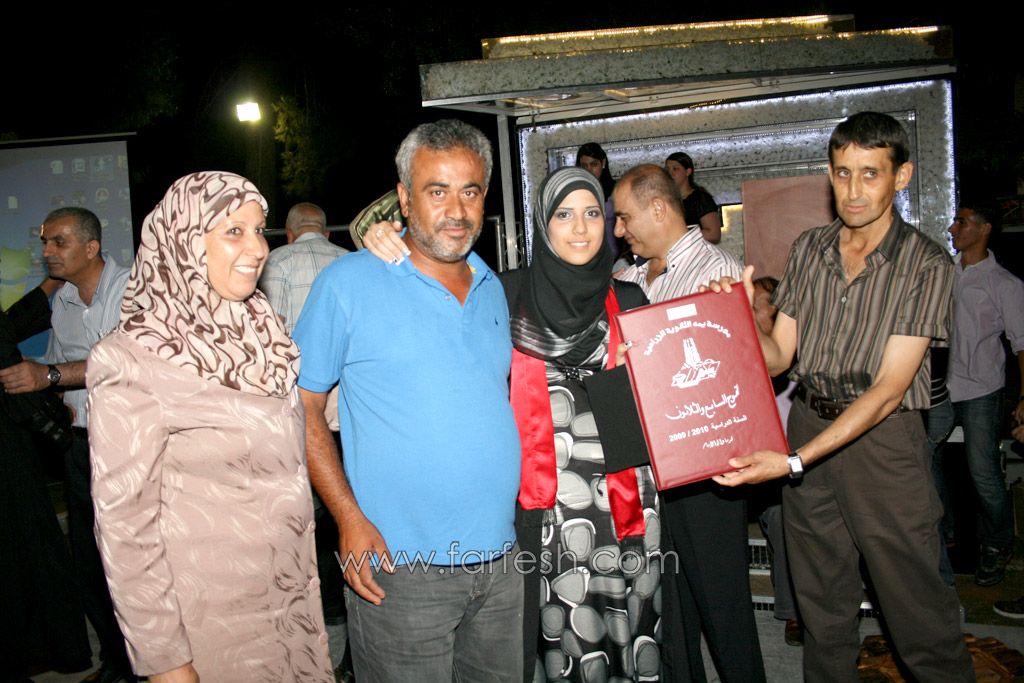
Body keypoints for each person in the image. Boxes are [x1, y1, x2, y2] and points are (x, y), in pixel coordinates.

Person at [366, 166, 662, 681]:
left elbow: (663, 408)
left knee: (628, 637)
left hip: (625, 505)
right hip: (544, 512)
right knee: (554, 643)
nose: (580, 228)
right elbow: (435, 287)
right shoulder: (504, 294)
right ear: (542, 225)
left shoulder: (632, 301)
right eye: (563, 215)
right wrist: (386, 241)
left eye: (592, 213)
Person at [708, 112, 974, 682]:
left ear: (901, 176)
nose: (853, 190)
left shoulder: (925, 263)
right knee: (823, 613)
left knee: (918, 616)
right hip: (809, 421)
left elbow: (889, 391)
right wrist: (736, 314)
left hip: (884, 444)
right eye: (843, 173)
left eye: (870, 173)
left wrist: (795, 462)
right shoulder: (810, 247)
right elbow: (779, 356)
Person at [294, 120, 523, 682]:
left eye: (470, 191)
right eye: (436, 191)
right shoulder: (347, 284)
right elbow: (299, 407)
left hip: (503, 563)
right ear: (403, 198)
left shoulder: (495, 287)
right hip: (399, 567)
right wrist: (347, 517)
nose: (456, 210)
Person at [86, 172, 334, 682]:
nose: (257, 248)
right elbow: (125, 528)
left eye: (259, 230)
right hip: (211, 626)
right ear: (183, 240)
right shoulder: (131, 357)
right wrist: (165, 661)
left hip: (293, 608)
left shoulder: (262, 330)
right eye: (233, 231)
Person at [612, 164, 766, 682]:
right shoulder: (630, 277)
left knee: (724, 610)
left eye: (625, 217)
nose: (619, 230)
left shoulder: (714, 271)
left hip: (708, 473)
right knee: (672, 616)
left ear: (659, 209)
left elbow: (737, 373)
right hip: (653, 470)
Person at [0, 206, 133, 683]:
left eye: (58, 242)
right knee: (90, 564)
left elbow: (128, 361)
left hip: (130, 447)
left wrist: (51, 376)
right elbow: (57, 361)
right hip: (80, 449)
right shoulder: (63, 302)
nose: (47, 252)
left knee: (133, 562)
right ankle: (117, 662)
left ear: (91, 247)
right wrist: (55, 397)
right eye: (44, 242)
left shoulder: (133, 290)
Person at [0, 277, 92, 680]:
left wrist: (48, 287)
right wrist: (55, 421)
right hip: (9, 453)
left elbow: (8, 327)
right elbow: (11, 370)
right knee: (28, 549)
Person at [943, 201, 1024, 587]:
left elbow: (1022, 344)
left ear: (985, 228)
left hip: (981, 390)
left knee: (984, 474)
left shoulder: (1004, 284)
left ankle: (997, 544)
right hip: (941, 389)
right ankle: (945, 531)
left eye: (961, 221)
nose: (953, 228)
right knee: (919, 458)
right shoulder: (946, 273)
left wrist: (1023, 398)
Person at [750, 276, 803, 647]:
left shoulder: (799, 364)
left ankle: (796, 610)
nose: (751, 315)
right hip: (744, 467)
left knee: (785, 514)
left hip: (788, 468)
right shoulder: (734, 355)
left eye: (759, 307)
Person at [259, 202, 349, 333]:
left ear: (289, 234)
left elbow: (272, 323)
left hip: (294, 346)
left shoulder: (278, 259)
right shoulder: (349, 259)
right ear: (327, 234)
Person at [665, 152, 723, 244]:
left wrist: (680, 234)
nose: (670, 173)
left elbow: (713, 234)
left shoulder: (700, 198)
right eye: (667, 169)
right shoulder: (666, 200)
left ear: (688, 172)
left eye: (675, 169)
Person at [576, 142, 621, 260]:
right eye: (584, 166)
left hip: (617, 258)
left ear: (603, 163)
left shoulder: (617, 190)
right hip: (587, 258)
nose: (589, 170)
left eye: (594, 164)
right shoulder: (575, 194)